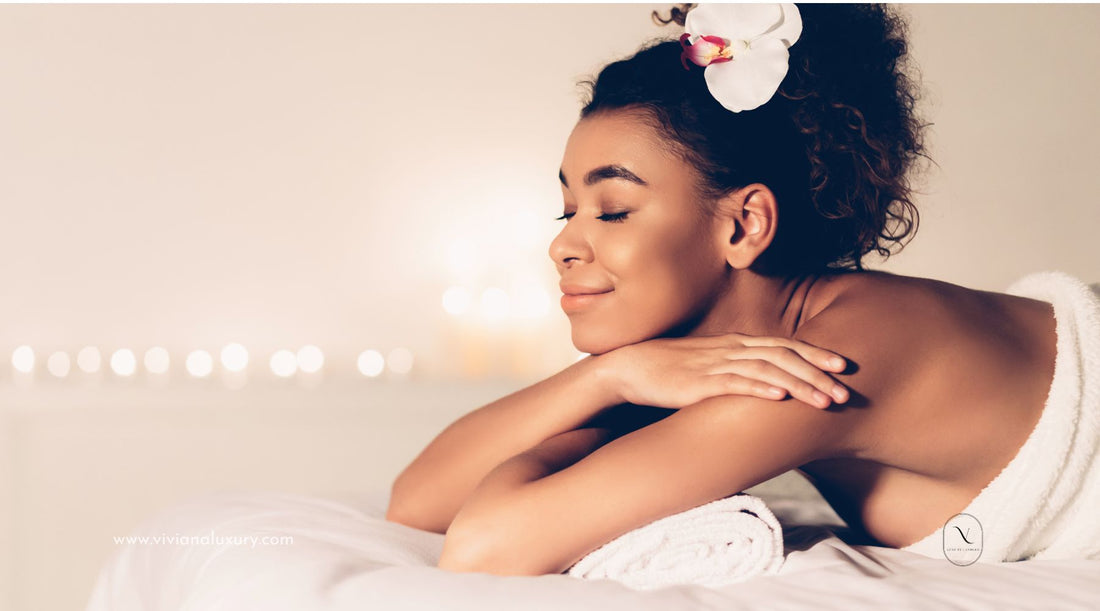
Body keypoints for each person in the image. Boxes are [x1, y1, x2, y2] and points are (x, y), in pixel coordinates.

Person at [386, 3, 1074, 574]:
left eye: (613, 209)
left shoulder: (838, 357)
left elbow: (486, 545)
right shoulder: (713, 355)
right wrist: (609, 379)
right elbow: (418, 503)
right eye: (567, 210)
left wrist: (616, 378)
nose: (563, 243)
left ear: (744, 224)